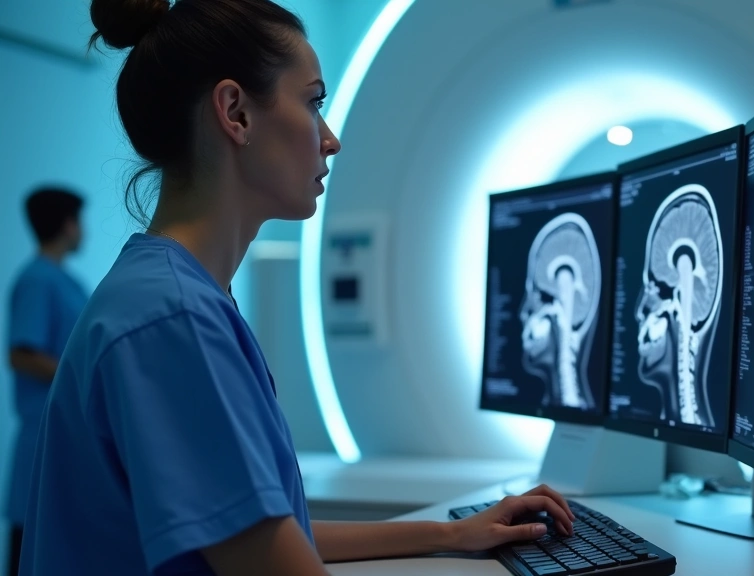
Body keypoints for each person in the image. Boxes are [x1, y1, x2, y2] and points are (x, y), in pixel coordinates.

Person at [17, 1, 576, 575]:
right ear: (236, 113)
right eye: (313, 103)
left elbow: (268, 531)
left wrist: (453, 534)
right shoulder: (171, 317)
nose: (331, 140)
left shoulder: (171, 294)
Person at [5, 187, 88, 576]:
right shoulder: (38, 281)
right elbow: (21, 354)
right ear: (68, 224)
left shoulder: (61, 281)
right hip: (42, 439)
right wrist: (83, 373)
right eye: (79, 221)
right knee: (32, 551)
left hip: (62, 439)